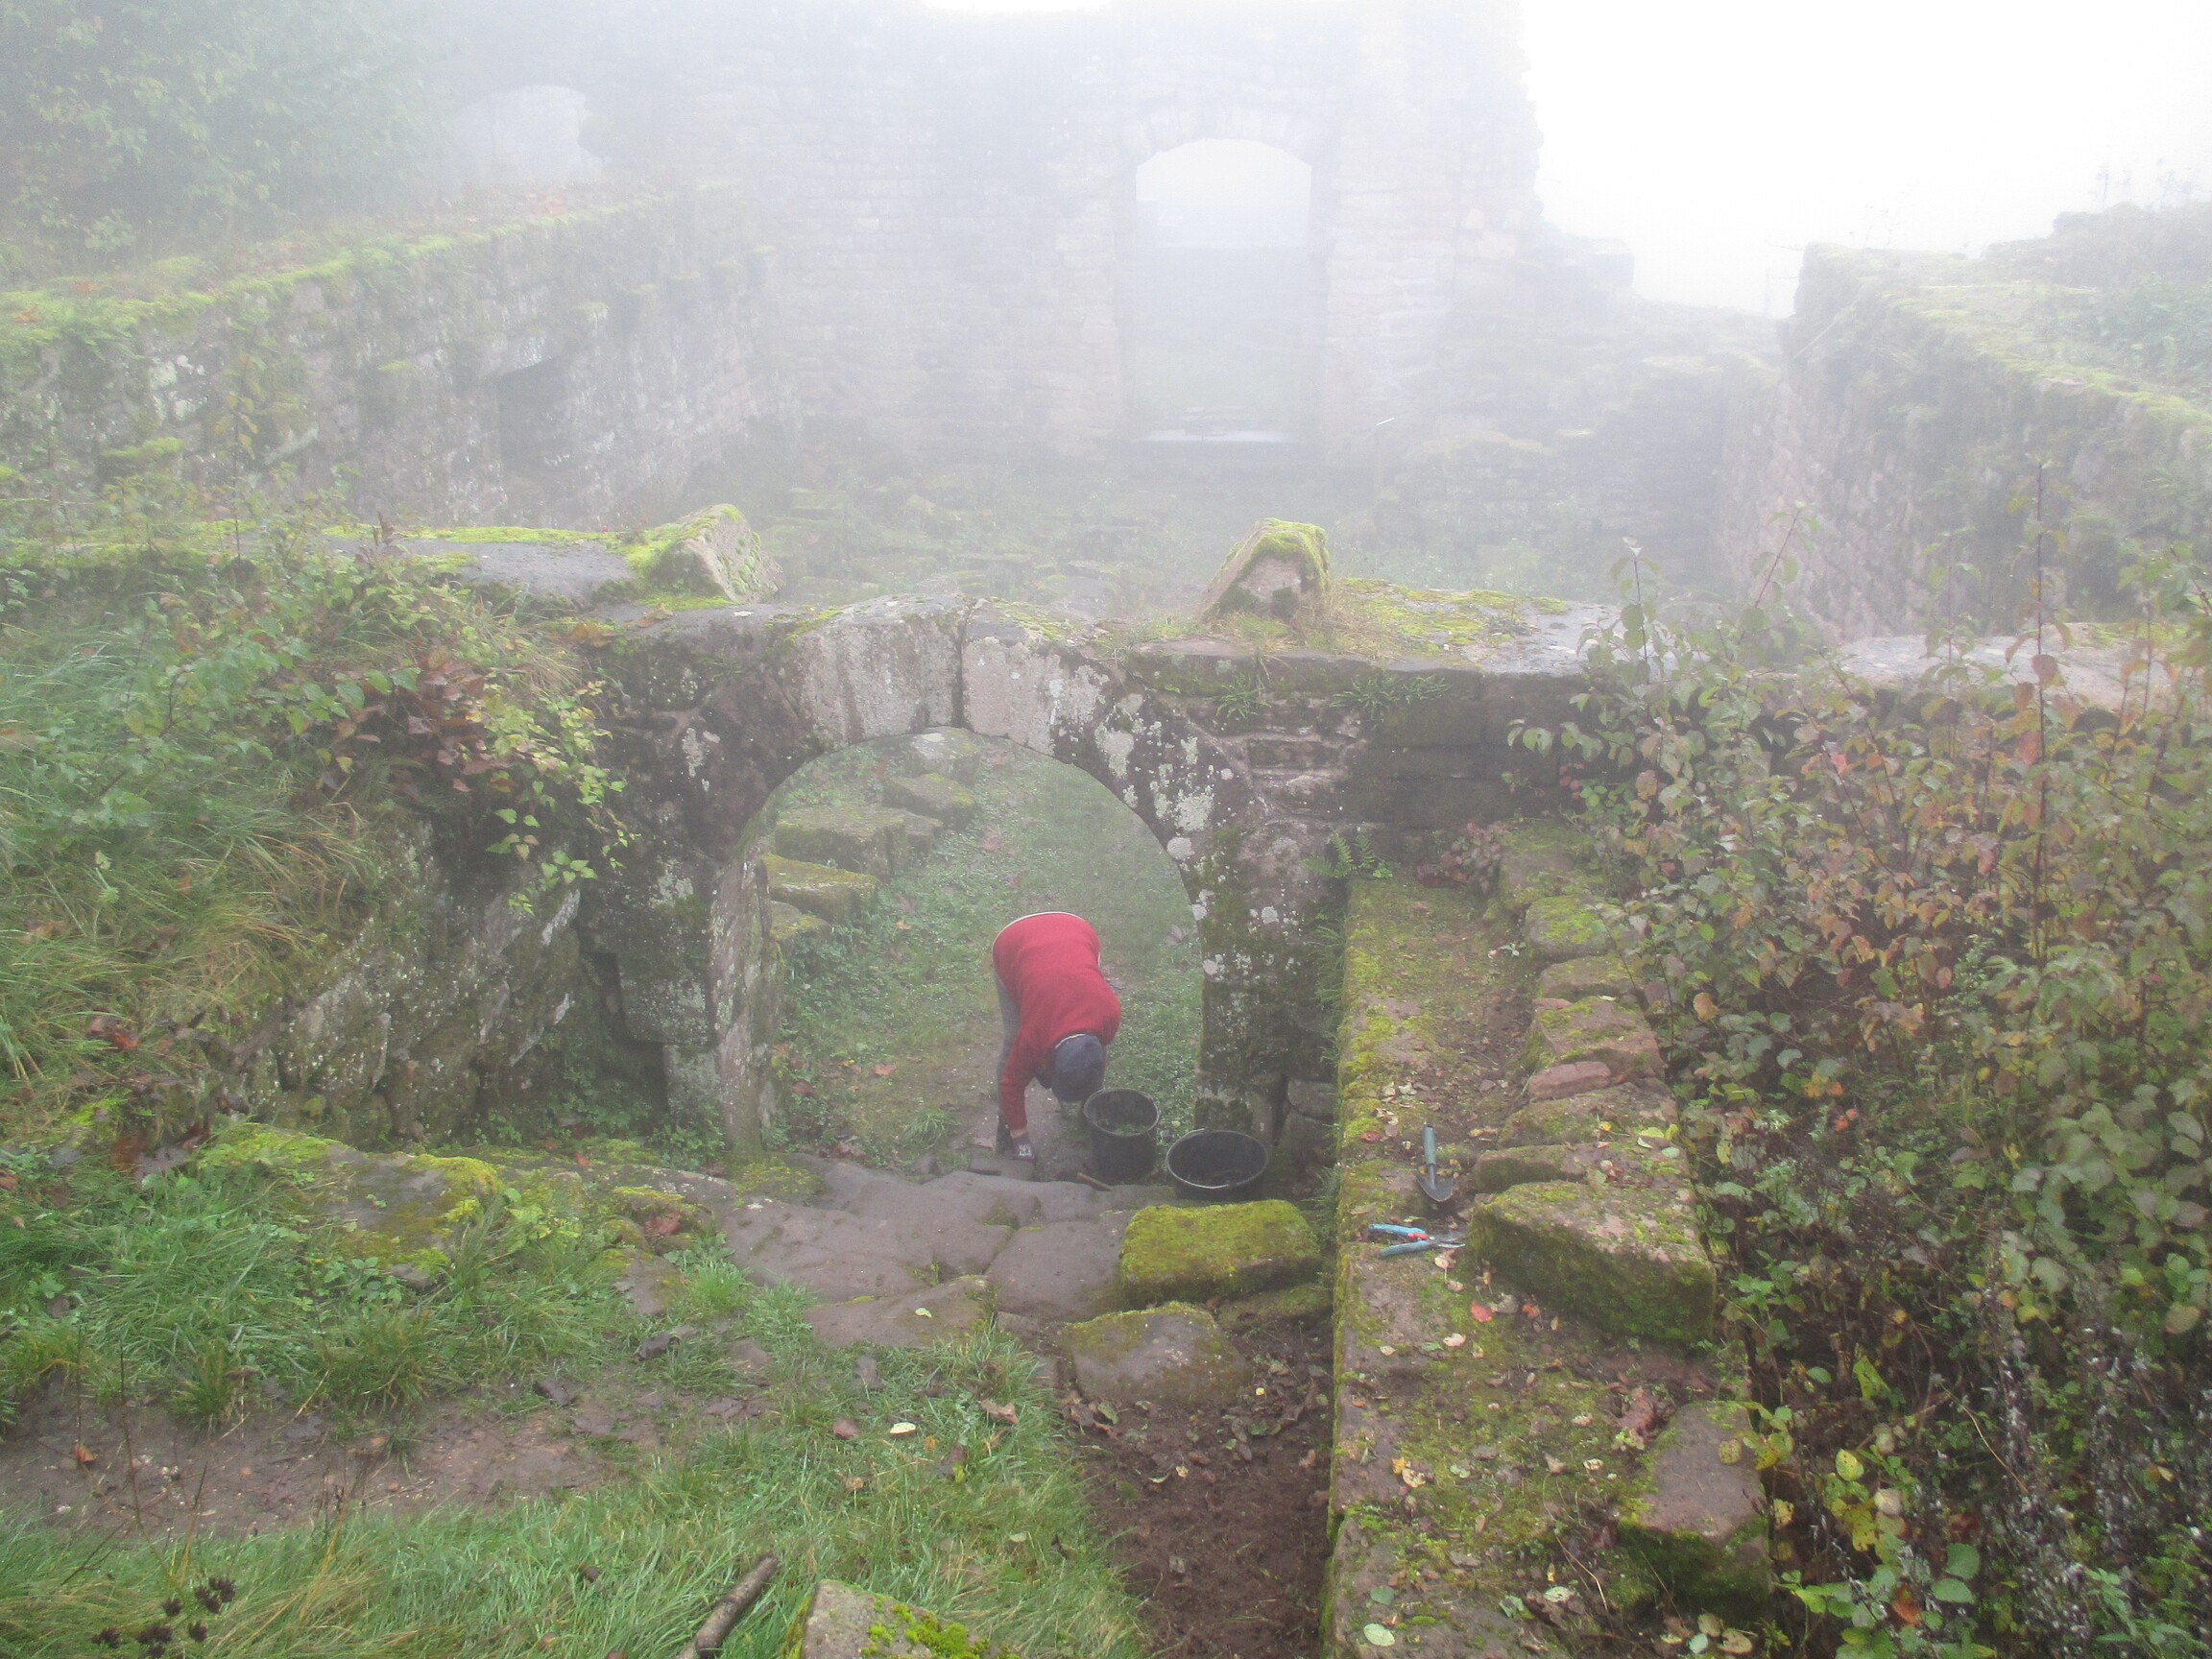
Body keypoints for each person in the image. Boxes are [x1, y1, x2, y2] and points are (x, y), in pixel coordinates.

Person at [990, 911, 1120, 1162]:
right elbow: (1011, 1083)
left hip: (1078, 932)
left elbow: (1096, 1051)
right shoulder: (1032, 1036)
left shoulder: (1109, 1014)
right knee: (1012, 1041)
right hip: (1014, 940)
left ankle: (1088, 1111)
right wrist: (1020, 1139)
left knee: (1090, 1051)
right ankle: (1005, 1127)